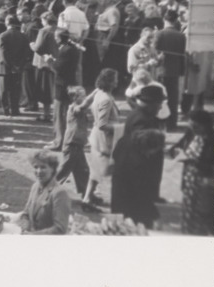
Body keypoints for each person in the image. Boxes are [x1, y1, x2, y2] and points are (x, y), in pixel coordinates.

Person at [110, 84, 166, 228]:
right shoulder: (141, 120)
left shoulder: (139, 115)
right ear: (151, 103)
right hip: (132, 196)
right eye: (159, 103)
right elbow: (137, 183)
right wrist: (152, 211)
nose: (160, 107)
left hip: (130, 189)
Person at [169, 110, 214, 236]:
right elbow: (175, 148)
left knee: (204, 216)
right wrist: (176, 152)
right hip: (189, 182)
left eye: (196, 126)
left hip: (206, 186)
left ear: (206, 125)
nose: (194, 129)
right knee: (188, 213)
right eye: (191, 126)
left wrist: (192, 161)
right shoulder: (190, 134)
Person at [83, 68, 120, 209]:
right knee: (100, 169)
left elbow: (87, 101)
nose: (117, 82)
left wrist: (80, 107)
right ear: (110, 82)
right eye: (115, 79)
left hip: (98, 137)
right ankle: (87, 199)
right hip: (103, 139)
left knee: (97, 169)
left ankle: (89, 196)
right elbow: (102, 124)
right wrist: (120, 128)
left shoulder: (98, 92)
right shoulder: (106, 99)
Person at [19, 150, 71, 234]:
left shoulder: (60, 193)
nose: (39, 171)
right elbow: (26, 213)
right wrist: (25, 226)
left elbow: (60, 229)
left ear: (52, 169)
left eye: (43, 167)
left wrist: (33, 235)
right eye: (36, 167)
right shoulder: (35, 186)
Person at [57, 86, 91, 202]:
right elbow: (83, 106)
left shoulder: (79, 109)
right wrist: (97, 91)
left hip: (77, 145)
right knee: (63, 171)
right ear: (75, 98)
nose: (85, 97)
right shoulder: (73, 108)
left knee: (83, 170)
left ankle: (85, 194)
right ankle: (47, 190)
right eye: (82, 95)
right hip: (71, 145)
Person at [47, 28, 79, 150]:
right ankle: (61, 139)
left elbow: (58, 68)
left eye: (56, 37)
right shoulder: (73, 48)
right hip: (70, 83)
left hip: (62, 85)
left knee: (59, 115)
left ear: (60, 38)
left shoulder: (65, 50)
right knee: (65, 115)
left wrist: (50, 61)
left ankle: (59, 142)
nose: (55, 39)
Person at [154, 9, 186, 130]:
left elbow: (154, 52)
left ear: (164, 19)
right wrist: (182, 70)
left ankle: (161, 123)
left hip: (161, 70)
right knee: (173, 99)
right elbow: (182, 55)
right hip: (175, 71)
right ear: (176, 20)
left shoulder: (160, 34)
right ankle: (172, 124)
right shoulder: (181, 35)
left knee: (160, 98)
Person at [0, 15, 31, 117]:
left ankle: (5, 109)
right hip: (18, 66)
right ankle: (15, 109)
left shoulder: (3, 35)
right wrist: (18, 65)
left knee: (3, 90)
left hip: (4, 66)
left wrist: (10, 65)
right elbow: (25, 53)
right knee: (15, 89)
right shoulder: (23, 36)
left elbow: (3, 53)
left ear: (7, 22)